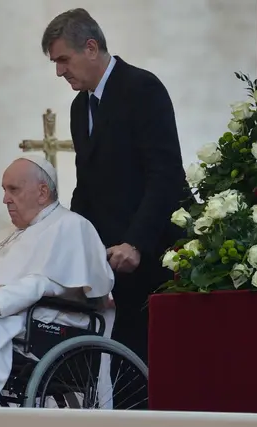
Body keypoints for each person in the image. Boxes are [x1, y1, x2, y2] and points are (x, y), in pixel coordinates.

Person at [40, 9, 189, 386]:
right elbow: (87, 186)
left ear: (91, 48)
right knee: (119, 370)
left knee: (149, 366)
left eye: (63, 60)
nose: (59, 71)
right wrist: (71, 243)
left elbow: (165, 175)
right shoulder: (80, 107)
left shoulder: (142, 88)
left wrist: (135, 242)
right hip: (112, 264)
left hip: (154, 255)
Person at [0, 155, 115, 407]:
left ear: (42, 192)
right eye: (4, 190)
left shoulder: (71, 227)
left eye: (13, 190)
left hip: (35, 326)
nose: (5, 199)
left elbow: (44, 284)